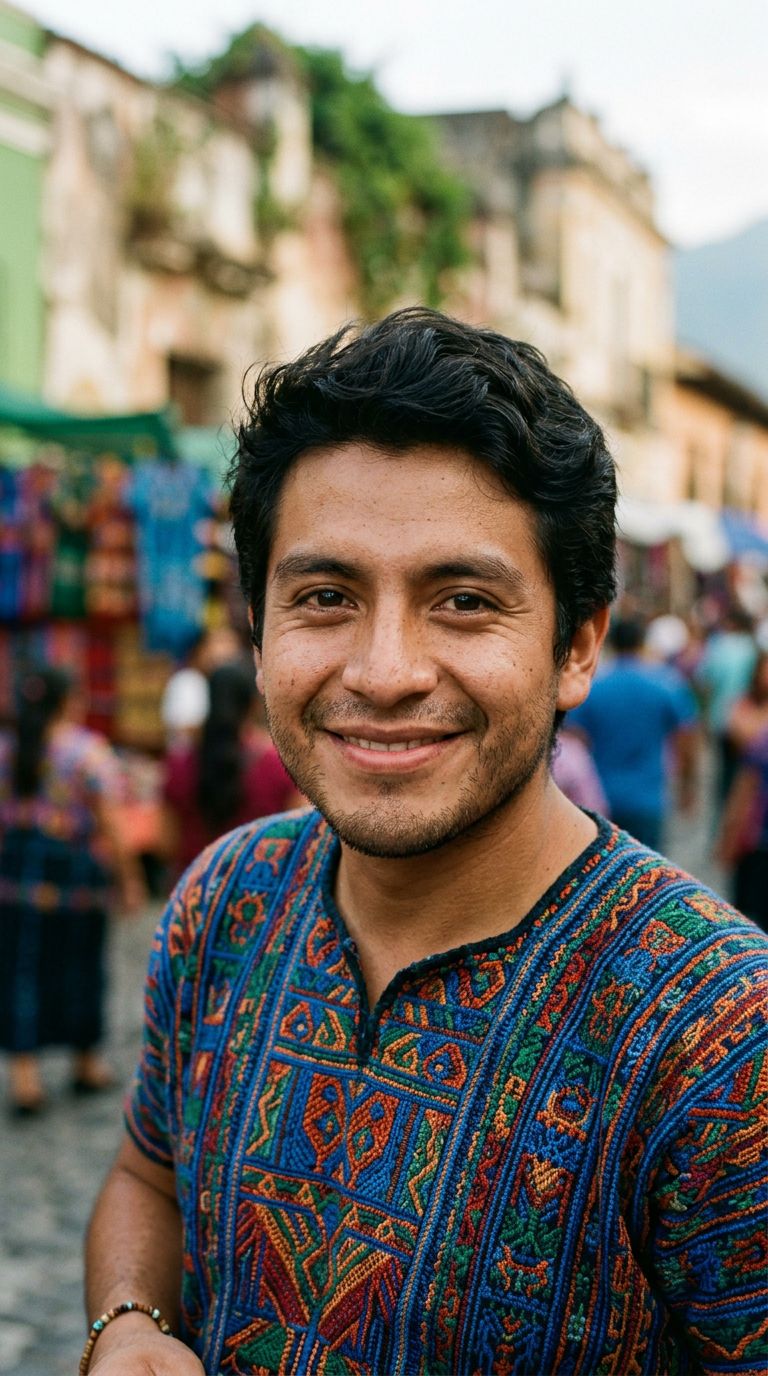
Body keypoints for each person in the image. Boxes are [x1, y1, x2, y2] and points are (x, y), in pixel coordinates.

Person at [83, 309, 767, 1376]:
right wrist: (128, 1318)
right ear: (259, 628)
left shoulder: (720, 1031)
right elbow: (147, 1174)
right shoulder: (226, 896)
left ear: (576, 643)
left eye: (462, 599)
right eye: (325, 596)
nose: (386, 668)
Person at [0, 665, 143, 1115]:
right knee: (80, 965)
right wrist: (129, 878)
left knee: (21, 970)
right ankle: (85, 1063)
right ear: (68, 701)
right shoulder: (86, 751)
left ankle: (26, 1079)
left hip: (17, 875)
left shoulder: (9, 749)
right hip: (74, 875)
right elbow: (111, 822)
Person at [567, 615, 699, 851]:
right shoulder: (666, 684)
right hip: (648, 799)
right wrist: (688, 786)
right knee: (649, 877)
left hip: (601, 798)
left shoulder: (593, 687)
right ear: (642, 643)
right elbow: (687, 738)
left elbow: (575, 741)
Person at [162, 659, 300, 876]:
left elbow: (167, 843)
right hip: (262, 891)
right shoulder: (278, 762)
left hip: (195, 889)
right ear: (254, 703)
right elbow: (301, 838)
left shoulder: (179, 763)